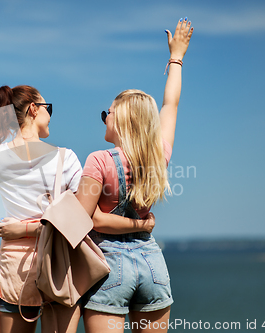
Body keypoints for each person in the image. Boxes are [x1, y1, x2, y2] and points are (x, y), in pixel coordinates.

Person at [0, 50, 155, 333]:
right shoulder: (65, 158)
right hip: (60, 266)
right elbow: (78, 220)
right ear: (34, 109)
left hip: (15, 268)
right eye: (48, 107)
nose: (50, 114)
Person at [75, 18, 193, 333]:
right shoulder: (159, 157)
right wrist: (177, 57)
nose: (103, 120)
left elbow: (85, 221)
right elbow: (171, 103)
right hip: (153, 264)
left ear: (123, 119)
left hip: (109, 266)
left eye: (107, 114)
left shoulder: (98, 160)